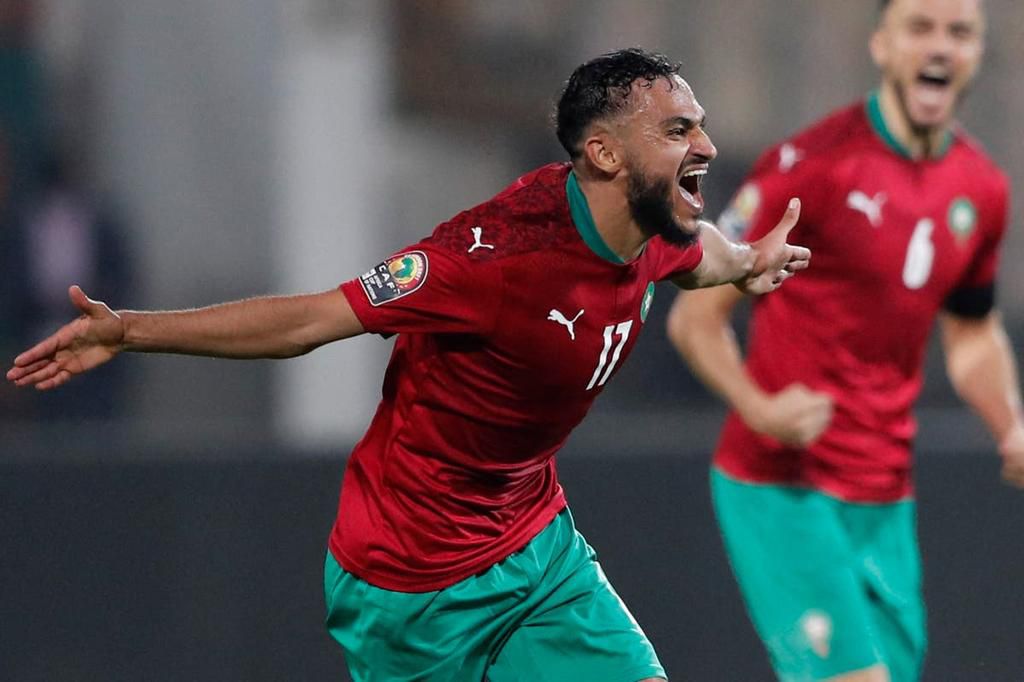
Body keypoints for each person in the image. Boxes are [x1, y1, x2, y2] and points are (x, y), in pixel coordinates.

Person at [8, 48, 809, 681]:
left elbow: (688, 254)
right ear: (602, 153)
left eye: (696, 125)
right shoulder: (490, 260)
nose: (704, 145)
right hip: (411, 580)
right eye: (676, 131)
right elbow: (310, 320)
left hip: (536, 546)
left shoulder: (651, 224)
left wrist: (742, 260)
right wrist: (130, 331)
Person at [666, 3, 1024, 682]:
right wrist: (760, 408)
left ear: (979, 53)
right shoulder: (814, 166)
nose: (940, 46)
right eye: (920, 28)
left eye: (959, 32)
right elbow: (694, 319)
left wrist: (1011, 424)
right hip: (781, 485)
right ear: (882, 46)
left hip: (884, 496)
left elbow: (973, 334)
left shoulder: (982, 188)